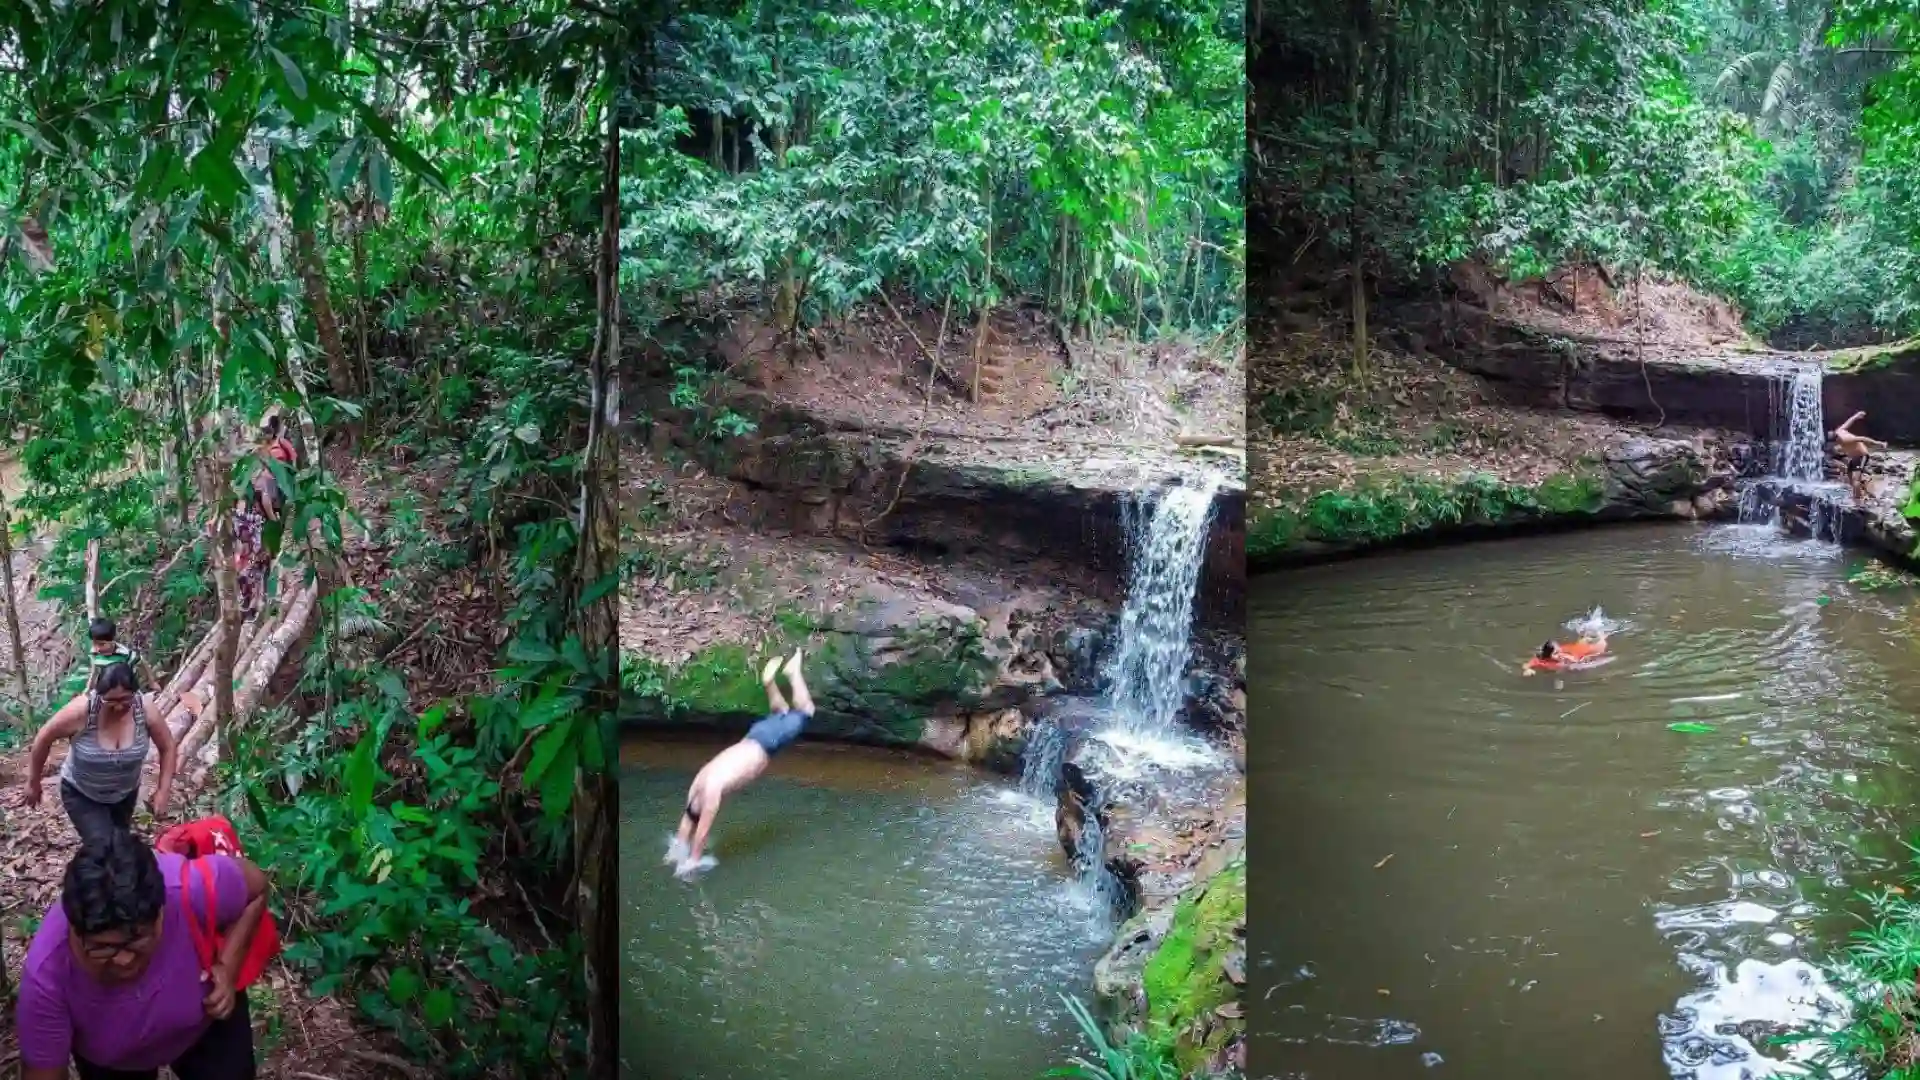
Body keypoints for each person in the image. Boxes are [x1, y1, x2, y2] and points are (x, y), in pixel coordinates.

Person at [14, 827, 271, 1080]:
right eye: (103, 948)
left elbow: (256, 889)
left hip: (204, 1029)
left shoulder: (187, 889)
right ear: (74, 930)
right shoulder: (48, 979)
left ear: (162, 911)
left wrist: (228, 967)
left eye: (137, 940)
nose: (124, 960)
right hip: (114, 1065)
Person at [667, 649, 814, 877]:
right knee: (781, 713)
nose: (701, 812)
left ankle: (794, 673)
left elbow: (701, 832)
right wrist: (676, 853)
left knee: (806, 712)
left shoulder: (708, 792)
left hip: (764, 743)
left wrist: (692, 863)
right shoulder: (699, 780)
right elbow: (688, 821)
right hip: (753, 737)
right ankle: (769, 683)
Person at [23, 663, 179, 842]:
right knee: (102, 843)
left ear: (135, 694)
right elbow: (43, 739)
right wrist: (33, 782)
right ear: (99, 694)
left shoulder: (144, 710)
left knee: (118, 845)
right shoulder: (82, 710)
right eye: (111, 701)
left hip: (125, 794)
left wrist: (163, 790)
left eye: (125, 700)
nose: (119, 707)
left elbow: (167, 746)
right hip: (81, 793)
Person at [85, 617, 161, 694]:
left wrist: (152, 682)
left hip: (126, 691)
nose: (97, 648)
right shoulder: (95, 654)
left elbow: (143, 663)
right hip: (105, 692)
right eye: (94, 644)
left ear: (113, 640)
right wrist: (88, 688)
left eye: (102, 644)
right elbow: (94, 672)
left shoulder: (125, 654)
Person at [1832, 411, 1888, 502]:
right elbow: (1848, 422)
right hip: (1854, 458)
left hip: (1862, 456)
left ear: (1837, 439)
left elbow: (1862, 438)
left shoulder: (1846, 439)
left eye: (1835, 443)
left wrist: (1879, 443)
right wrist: (1856, 416)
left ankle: (1858, 501)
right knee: (1850, 477)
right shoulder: (1839, 431)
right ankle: (1863, 491)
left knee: (1855, 479)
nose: (1835, 445)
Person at [1524, 629, 1608, 675]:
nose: (1559, 655)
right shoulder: (1542, 661)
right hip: (1573, 649)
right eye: (1555, 654)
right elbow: (1526, 665)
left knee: (1600, 646)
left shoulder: (1565, 657)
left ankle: (1599, 633)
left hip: (1578, 650)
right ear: (1547, 656)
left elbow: (1578, 662)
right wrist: (1528, 670)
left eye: (1558, 652)